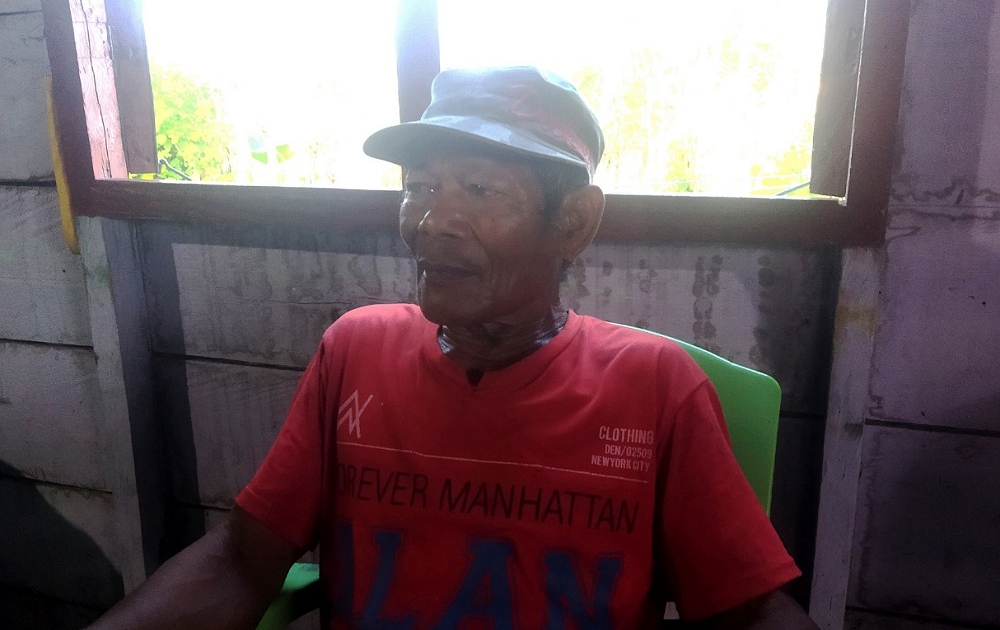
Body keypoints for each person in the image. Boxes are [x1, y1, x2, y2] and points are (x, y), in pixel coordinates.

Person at [88, 66, 819, 630]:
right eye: (419, 187)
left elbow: (747, 610)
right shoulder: (356, 350)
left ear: (573, 222)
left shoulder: (654, 386)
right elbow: (243, 560)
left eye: (479, 190)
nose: (432, 221)